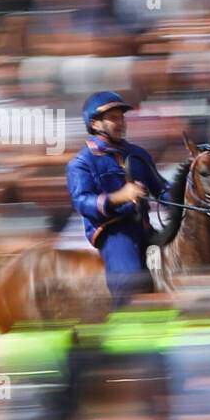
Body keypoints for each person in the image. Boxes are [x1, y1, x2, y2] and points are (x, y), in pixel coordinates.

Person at [66, 91, 170, 307]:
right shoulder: (82, 162)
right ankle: (124, 319)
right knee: (130, 278)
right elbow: (82, 202)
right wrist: (119, 197)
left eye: (121, 117)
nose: (120, 122)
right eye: (113, 118)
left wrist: (192, 196)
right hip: (114, 232)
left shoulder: (138, 154)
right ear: (95, 124)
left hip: (145, 230)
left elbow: (161, 188)